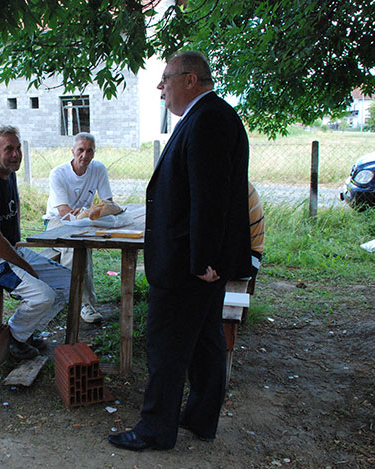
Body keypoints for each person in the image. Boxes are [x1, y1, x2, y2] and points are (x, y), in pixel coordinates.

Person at [108, 51, 251, 451]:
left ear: (190, 80)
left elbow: (210, 198)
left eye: (165, 79)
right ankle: (201, 418)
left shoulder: (207, 120)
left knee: (167, 346)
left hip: (190, 263)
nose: (159, 88)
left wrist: (204, 260)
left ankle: (155, 429)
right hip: (198, 261)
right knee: (205, 343)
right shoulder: (210, 116)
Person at [0, 126, 71, 360]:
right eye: (8, 149)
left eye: (18, 148)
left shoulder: (8, 174)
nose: (16, 154)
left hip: (9, 249)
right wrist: (26, 265)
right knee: (43, 296)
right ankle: (16, 338)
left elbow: (14, 210)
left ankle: (27, 330)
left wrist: (20, 247)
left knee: (68, 282)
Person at [44, 132, 113, 324]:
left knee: (82, 244)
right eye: (80, 150)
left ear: (94, 152)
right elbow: (64, 211)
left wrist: (87, 212)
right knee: (76, 246)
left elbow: (108, 203)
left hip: (84, 221)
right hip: (57, 221)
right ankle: (77, 300)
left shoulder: (98, 169)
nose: (85, 155)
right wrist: (89, 211)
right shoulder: (58, 173)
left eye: (89, 150)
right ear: (72, 151)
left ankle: (74, 299)